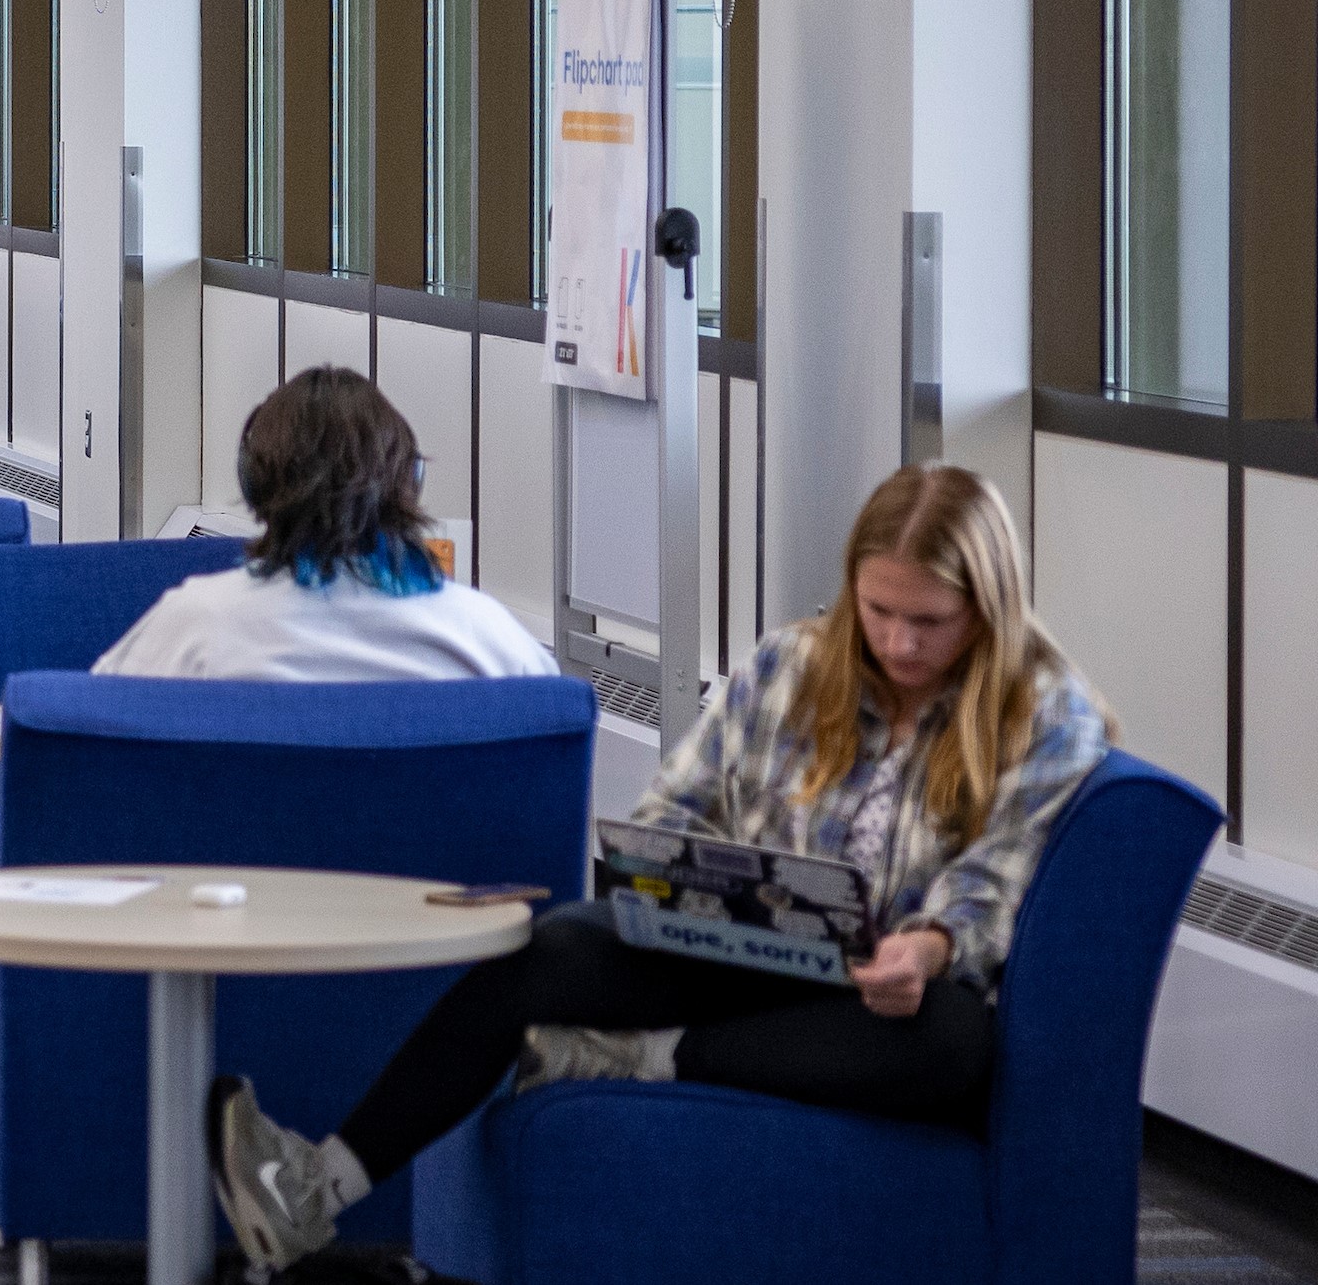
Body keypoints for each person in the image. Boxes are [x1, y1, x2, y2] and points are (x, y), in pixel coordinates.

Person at [208, 464, 1128, 1271]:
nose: (899, 644)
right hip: (744, 956)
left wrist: (927, 948)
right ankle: (315, 1191)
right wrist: (664, 876)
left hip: (882, 994)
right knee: (546, 949)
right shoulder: (791, 663)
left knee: (955, 1044)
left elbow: (997, 878)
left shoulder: (1044, 712)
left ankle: (635, 1058)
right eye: (879, 611)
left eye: (930, 621)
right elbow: (677, 807)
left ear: (988, 605)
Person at [87, 367, 548, 679]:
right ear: (412, 480)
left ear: (254, 484)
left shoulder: (197, 626)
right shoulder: (485, 637)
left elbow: (83, 731)